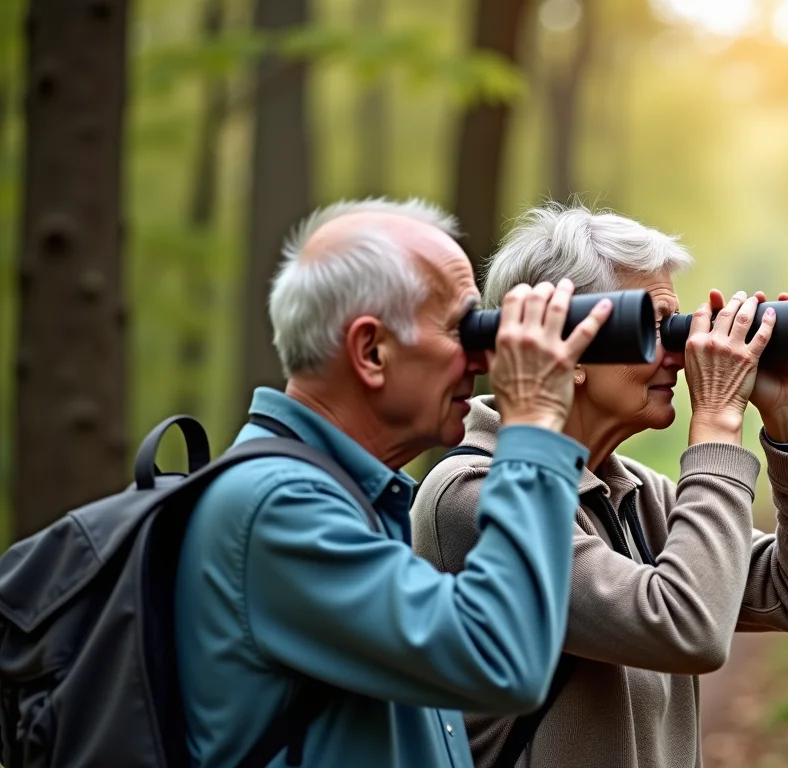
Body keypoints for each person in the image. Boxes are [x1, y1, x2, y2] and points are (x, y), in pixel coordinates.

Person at [411, 203, 788, 768]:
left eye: (676, 324)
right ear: (565, 347)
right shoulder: (474, 496)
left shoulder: (635, 494)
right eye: (651, 325)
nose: (677, 353)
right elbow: (686, 628)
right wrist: (719, 422)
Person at [172, 197, 614, 767]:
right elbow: (504, 658)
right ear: (371, 351)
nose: (483, 359)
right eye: (464, 328)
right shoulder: (277, 508)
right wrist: (531, 425)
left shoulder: (350, 494)